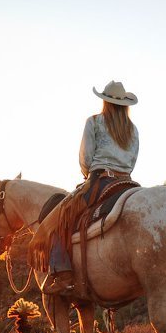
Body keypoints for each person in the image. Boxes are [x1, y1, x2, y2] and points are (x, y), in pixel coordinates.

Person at [35, 80, 139, 295]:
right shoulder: (133, 129)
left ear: (105, 102)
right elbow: (133, 159)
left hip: (100, 181)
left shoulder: (94, 122)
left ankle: (62, 275)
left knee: (59, 217)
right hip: (128, 182)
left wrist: (88, 175)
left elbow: (85, 158)